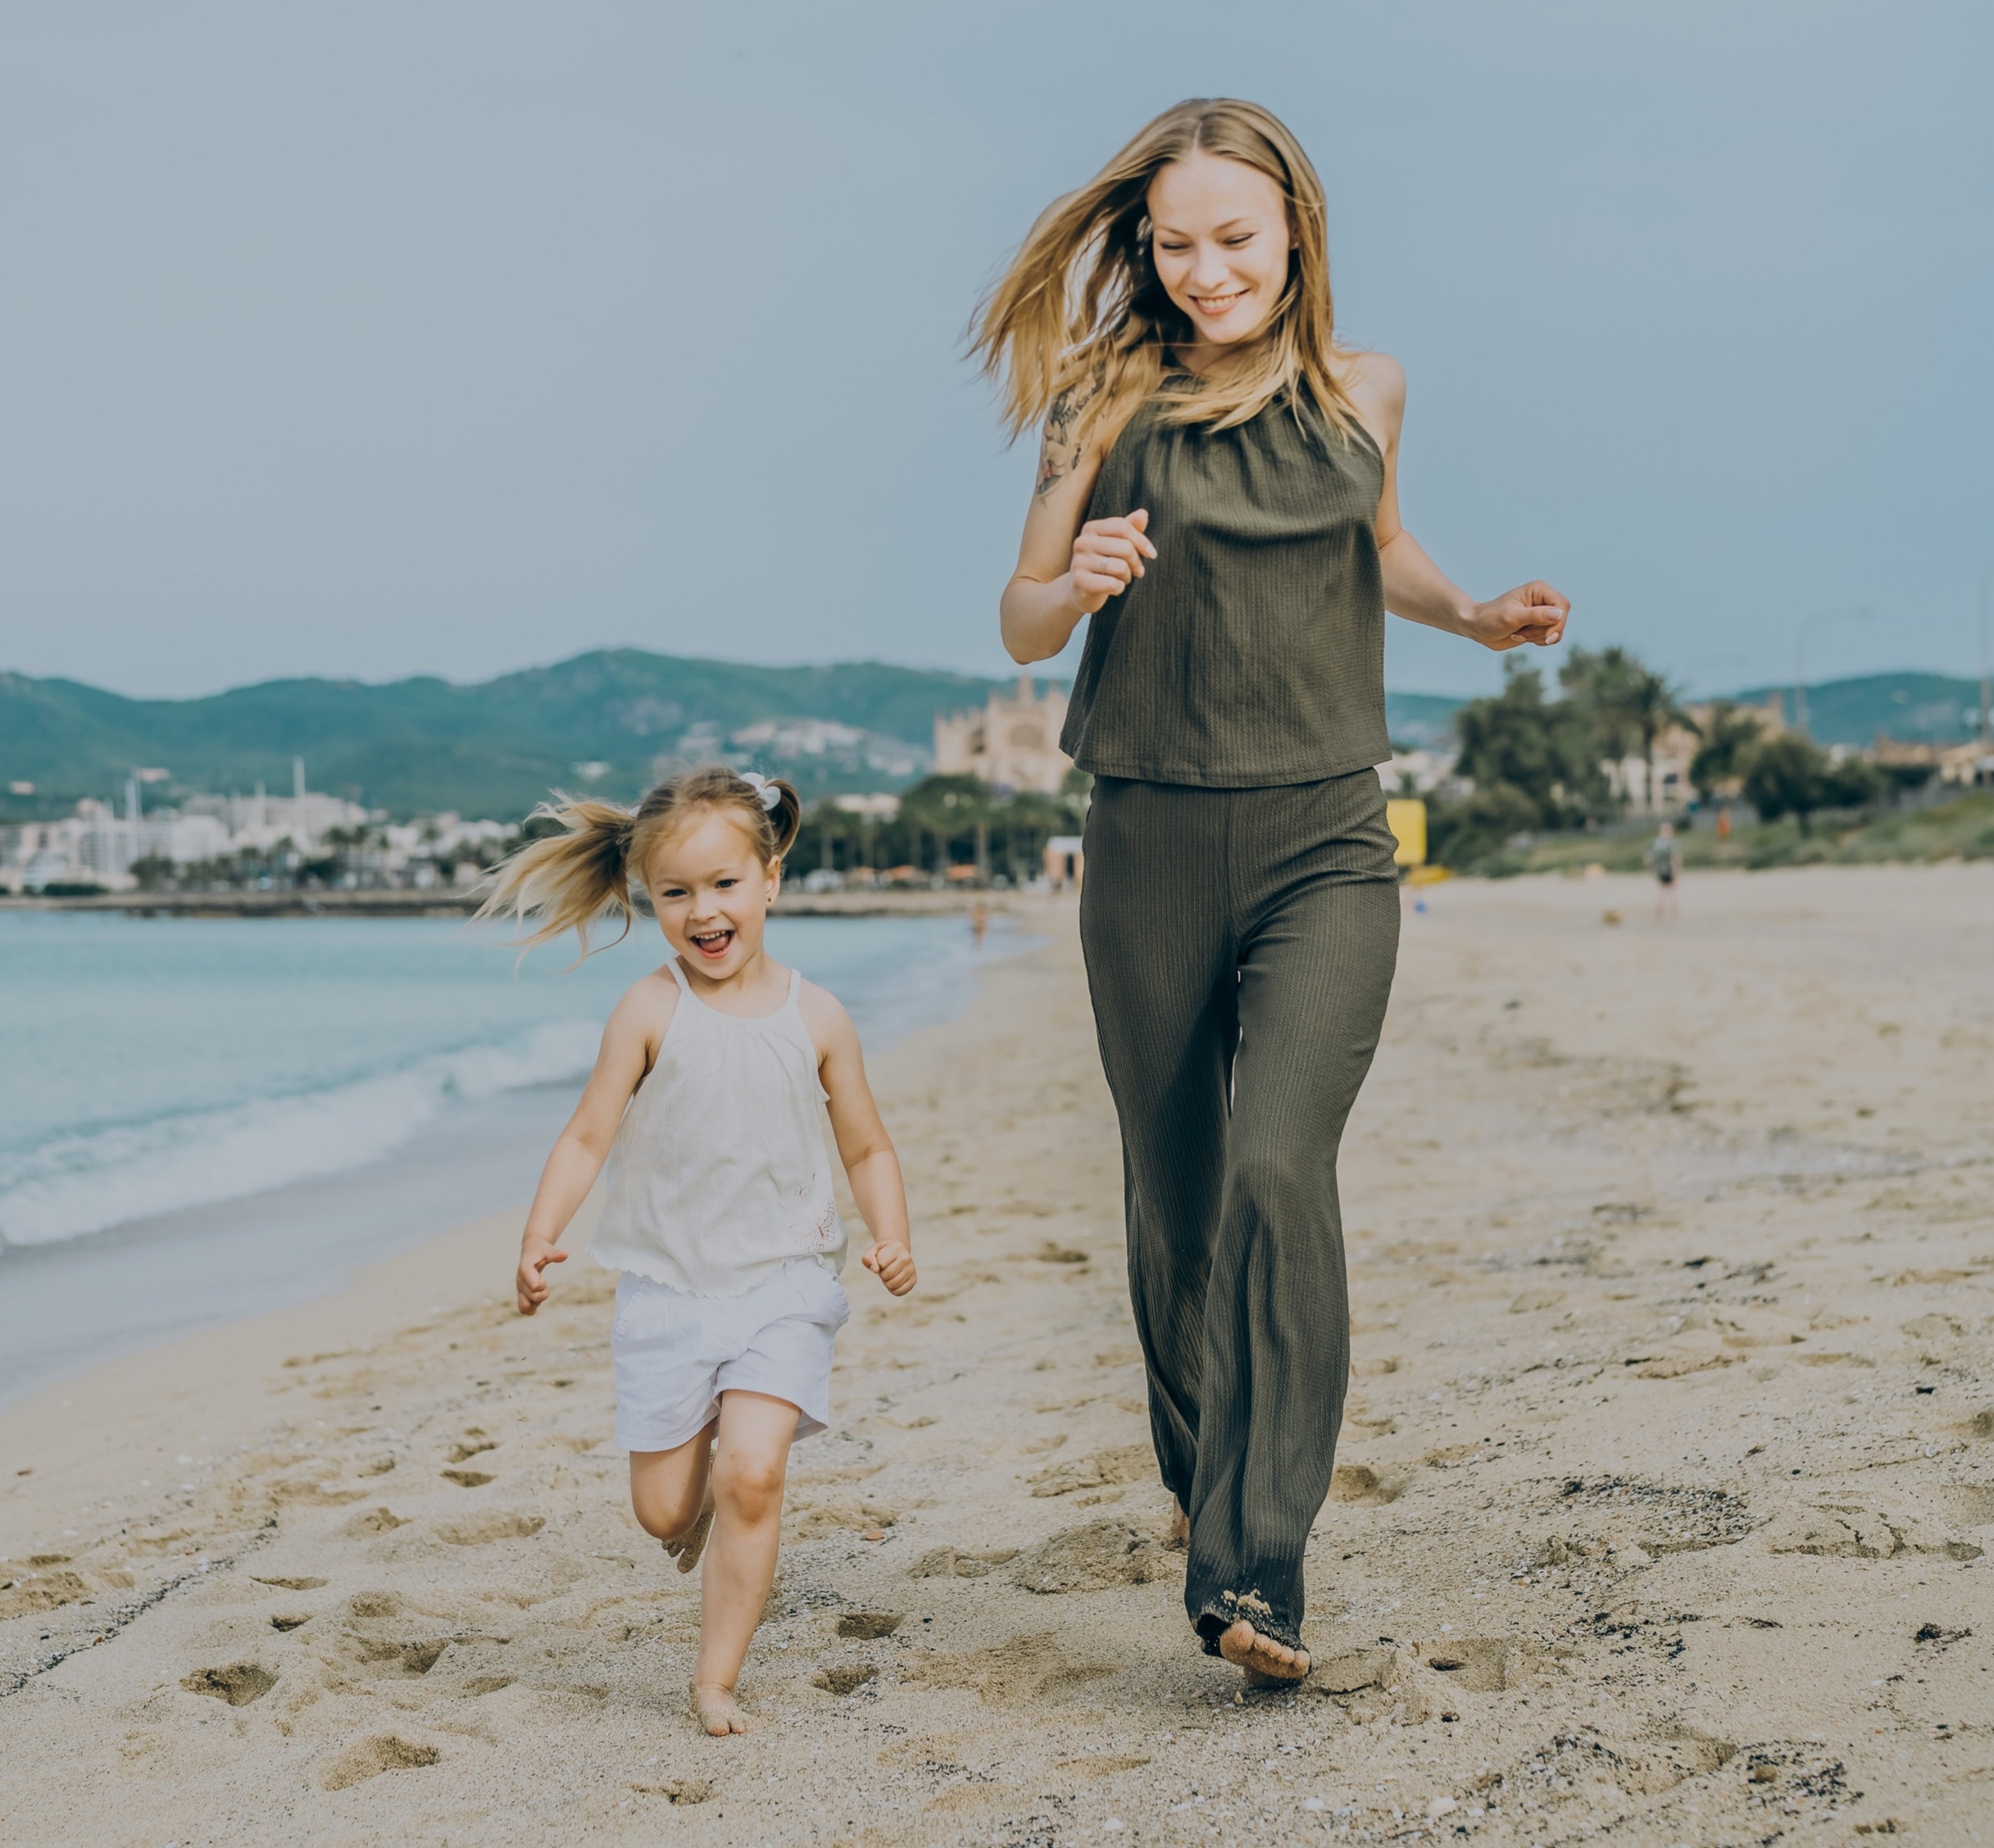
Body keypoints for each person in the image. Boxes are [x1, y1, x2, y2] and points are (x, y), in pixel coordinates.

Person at [976, 98, 1569, 1688]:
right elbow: (1023, 617)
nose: (1202, 269)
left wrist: (1477, 616)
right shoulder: (1099, 390)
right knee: (1173, 1205)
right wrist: (1075, 579)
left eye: (1231, 238)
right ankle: (1207, 1506)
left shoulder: (1359, 385)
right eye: (1173, 244)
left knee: (1271, 1164)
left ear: (1292, 228)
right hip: (1149, 842)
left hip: (1324, 840)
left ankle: (1258, 1563)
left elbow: (1373, 547)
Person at [480, 765, 917, 1735]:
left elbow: (867, 1144)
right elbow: (589, 1134)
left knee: (752, 1472)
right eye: (675, 893)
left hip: (783, 1283)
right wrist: (540, 1231)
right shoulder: (648, 1009)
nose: (702, 911)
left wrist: (891, 1233)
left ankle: (714, 1678)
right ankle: (702, 1517)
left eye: (723, 884)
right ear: (650, 901)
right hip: (668, 1291)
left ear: (771, 879)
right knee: (665, 1512)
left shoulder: (817, 1015)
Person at [1650, 820, 1680, 915]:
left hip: (1659, 870)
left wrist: (1653, 869)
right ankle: (1674, 911)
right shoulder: (1671, 842)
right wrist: (1676, 869)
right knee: (1673, 890)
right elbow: (1675, 857)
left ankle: (1660, 910)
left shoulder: (1656, 843)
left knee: (1662, 890)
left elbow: (1650, 858)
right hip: (1669, 869)